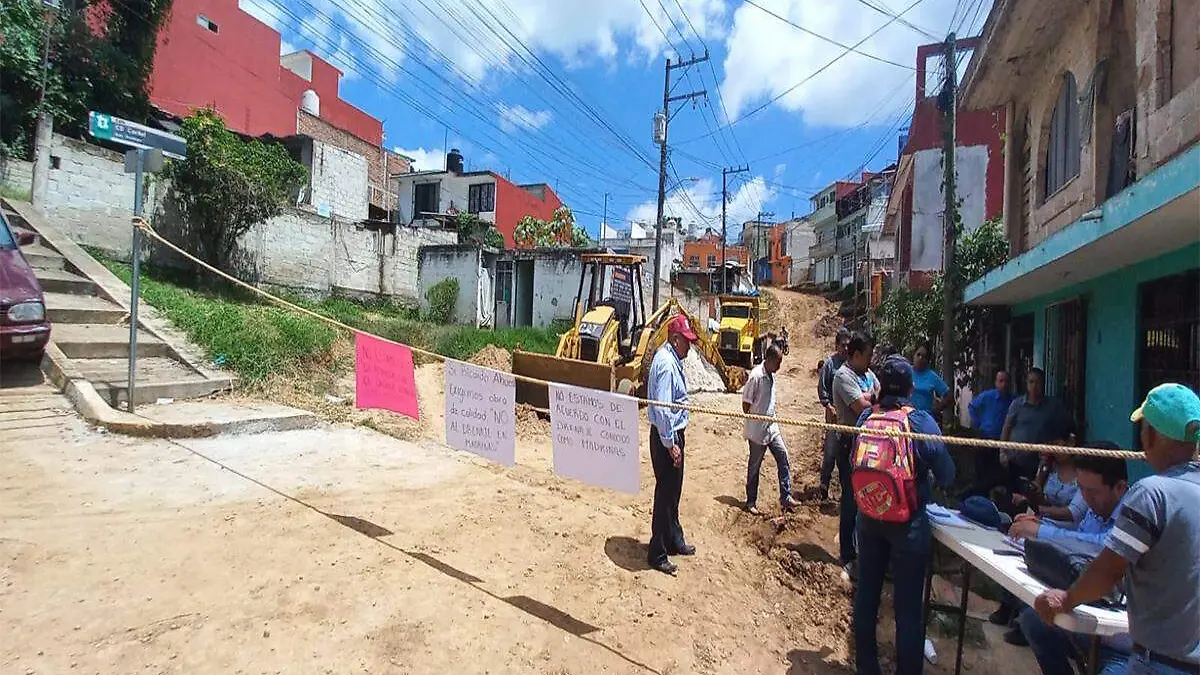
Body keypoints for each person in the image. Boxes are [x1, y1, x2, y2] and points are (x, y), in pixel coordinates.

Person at [1034, 383, 1200, 674]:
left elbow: (1109, 571)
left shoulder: (1152, 494)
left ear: (1151, 435)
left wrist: (1066, 599)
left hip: (1157, 662)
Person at [853, 356, 955, 675]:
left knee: (867, 596)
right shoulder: (920, 422)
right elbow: (948, 474)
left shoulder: (866, 417)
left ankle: (867, 668)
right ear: (911, 388)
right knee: (908, 608)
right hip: (907, 525)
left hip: (868, 517)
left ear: (879, 386)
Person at [1011, 450, 1133, 664]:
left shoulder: (1135, 512)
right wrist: (1039, 523)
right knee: (1033, 621)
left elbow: (1100, 545)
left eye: (1092, 491)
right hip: (1090, 611)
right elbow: (1081, 535)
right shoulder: (1098, 504)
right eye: (1082, 489)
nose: (1085, 497)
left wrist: (1039, 531)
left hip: (1123, 640)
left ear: (1120, 488)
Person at [645, 314, 700, 575]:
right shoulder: (666, 364)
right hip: (666, 435)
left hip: (670, 434)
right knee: (665, 495)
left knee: (674, 491)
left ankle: (674, 539)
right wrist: (671, 444)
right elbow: (664, 409)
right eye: (686, 341)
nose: (689, 346)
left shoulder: (670, 358)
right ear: (675, 339)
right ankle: (657, 552)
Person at [832, 331, 877, 576]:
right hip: (850, 443)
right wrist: (874, 399)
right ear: (856, 354)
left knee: (866, 500)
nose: (871, 360)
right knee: (850, 499)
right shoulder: (843, 376)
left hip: (870, 445)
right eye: (868, 355)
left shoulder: (867, 374)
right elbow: (862, 408)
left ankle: (863, 550)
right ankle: (848, 555)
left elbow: (879, 399)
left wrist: (873, 399)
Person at [742, 344, 799, 515]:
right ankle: (751, 501)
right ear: (770, 359)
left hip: (772, 428)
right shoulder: (756, 376)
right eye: (779, 362)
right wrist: (758, 416)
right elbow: (745, 404)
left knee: (783, 457)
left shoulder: (771, 375)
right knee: (754, 467)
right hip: (757, 431)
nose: (780, 366)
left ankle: (786, 495)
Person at [1001, 368, 1072, 488]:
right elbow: (1007, 427)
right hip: (1015, 460)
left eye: (1038, 382)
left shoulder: (1052, 406)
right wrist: (1002, 451)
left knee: (1033, 494)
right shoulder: (1017, 404)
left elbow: (1065, 427)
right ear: (1026, 384)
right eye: (1031, 382)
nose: (1034, 386)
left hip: (1039, 464)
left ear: (1043, 384)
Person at [967, 370, 1015, 497]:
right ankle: (978, 498)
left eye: (1006, 381)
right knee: (981, 470)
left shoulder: (1014, 401)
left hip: (1002, 442)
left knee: (998, 473)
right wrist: (977, 423)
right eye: (1000, 381)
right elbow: (972, 406)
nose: (1003, 384)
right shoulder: (988, 396)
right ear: (996, 383)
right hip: (985, 438)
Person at [818, 327, 852, 499]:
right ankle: (824, 484)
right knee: (830, 451)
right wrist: (828, 406)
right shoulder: (830, 365)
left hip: (851, 417)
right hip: (833, 414)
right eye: (843, 345)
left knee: (848, 454)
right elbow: (822, 388)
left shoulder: (853, 364)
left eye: (848, 345)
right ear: (837, 345)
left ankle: (847, 489)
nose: (846, 349)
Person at [910, 342, 951, 415]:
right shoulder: (906, 372)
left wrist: (937, 409)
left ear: (928, 360)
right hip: (907, 418)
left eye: (924, 356)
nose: (920, 358)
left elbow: (948, 396)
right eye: (918, 355)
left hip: (925, 419)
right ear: (914, 355)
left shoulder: (932, 376)